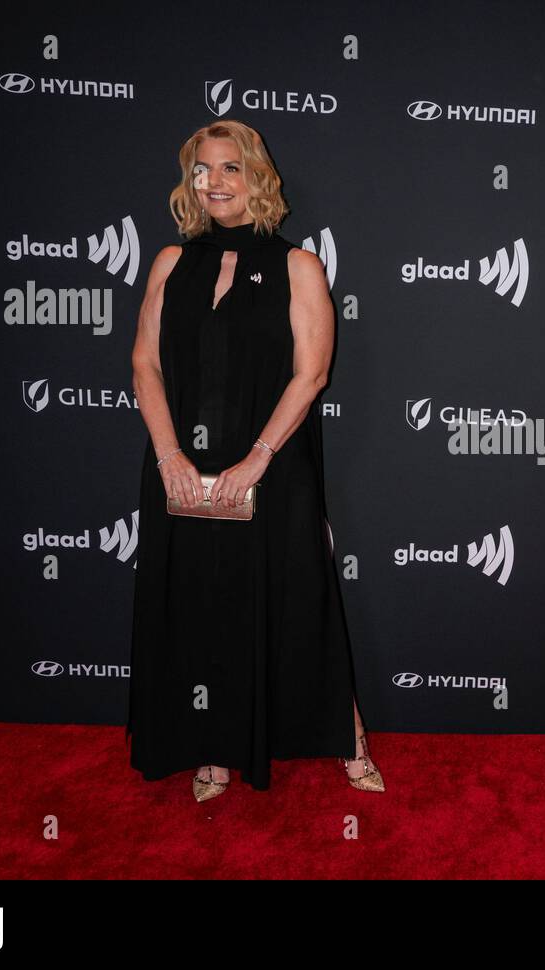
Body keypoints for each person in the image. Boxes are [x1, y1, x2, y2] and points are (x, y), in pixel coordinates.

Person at [126, 120, 383, 801]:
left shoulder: (298, 265)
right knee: (200, 602)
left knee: (298, 601)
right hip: (181, 470)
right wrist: (170, 456)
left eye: (230, 168)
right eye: (203, 170)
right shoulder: (170, 264)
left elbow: (312, 374)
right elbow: (144, 363)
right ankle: (211, 746)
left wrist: (255, 460)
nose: (215, 181)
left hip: (273, 469)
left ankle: (347, 736)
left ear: (257, 178)